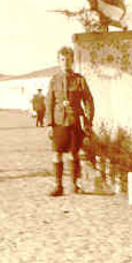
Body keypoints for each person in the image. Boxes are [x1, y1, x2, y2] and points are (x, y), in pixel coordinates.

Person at [46, 46, 95, 197]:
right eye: (62, 60)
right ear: (58, 61)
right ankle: (58, 185)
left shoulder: (79, 80)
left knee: (74, 154)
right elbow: (49, 102)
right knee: (57, 154)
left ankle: (75, 184)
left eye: (68, 60)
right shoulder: (54, 80)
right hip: (59, 122)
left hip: (74, 121)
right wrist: (49, 124)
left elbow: (88, 100)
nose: (65, 62)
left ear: (72, 61)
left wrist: (88, 121)